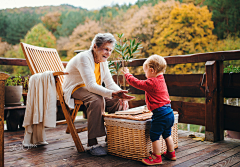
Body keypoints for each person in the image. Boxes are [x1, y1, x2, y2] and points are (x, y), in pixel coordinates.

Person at [63, 33, 135, 156]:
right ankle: (92, 144)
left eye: (110, 50)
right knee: (97, 99)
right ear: (95, 47)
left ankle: (112, 137)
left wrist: (121, 96)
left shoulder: (102, 60)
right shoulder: (84, 58)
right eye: (105, 49)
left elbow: (110, 83)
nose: (108, 53)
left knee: (115, 101)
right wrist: (112, 93)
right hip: (75, 87)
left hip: (89, 88)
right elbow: (91, 85)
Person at [122, 54, 176, 165]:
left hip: (160, 114)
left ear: (152, 70)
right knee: (167, 134)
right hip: (169, 112)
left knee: (154, 135)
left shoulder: (152, 82)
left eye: (145, 72)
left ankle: (156, 157)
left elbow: (137, 83)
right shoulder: (161, 79)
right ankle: (171, 153)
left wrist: (127, 75)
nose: (145, 75)